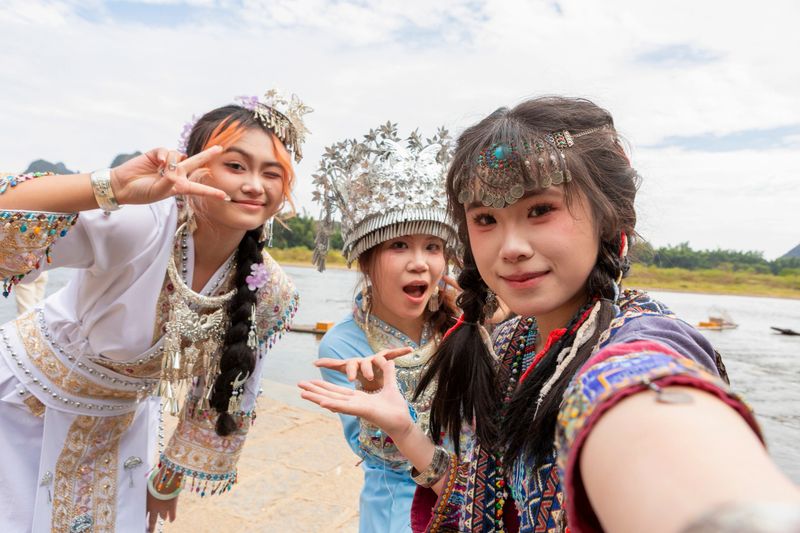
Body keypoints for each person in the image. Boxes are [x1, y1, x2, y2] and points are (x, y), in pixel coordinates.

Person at [300, 96, 800, 532]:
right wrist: (406, 431)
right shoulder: (512, 342)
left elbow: (650, 414)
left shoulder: (636, 346)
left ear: (610, 216)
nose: (511, 247)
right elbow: (488, 505)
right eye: (486, 219)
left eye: (540, 210)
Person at [0, 89, 310, 532]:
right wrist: (112, 187)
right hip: (25, 404)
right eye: (236, 165)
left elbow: (226, 390)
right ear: (195, 166)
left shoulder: (269, 288)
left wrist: (166, 480)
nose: (254, 185)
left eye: (272, 173)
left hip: (122, 427)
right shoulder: (142, 219)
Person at [311, 123, 459, 532]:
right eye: (399, 245)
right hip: (399, 508)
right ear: (366, 260)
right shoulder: (345, 343)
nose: (420, 262)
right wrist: (375, 399)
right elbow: (384, 455)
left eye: (432, 246)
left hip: (474, 499)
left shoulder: (462, 324)